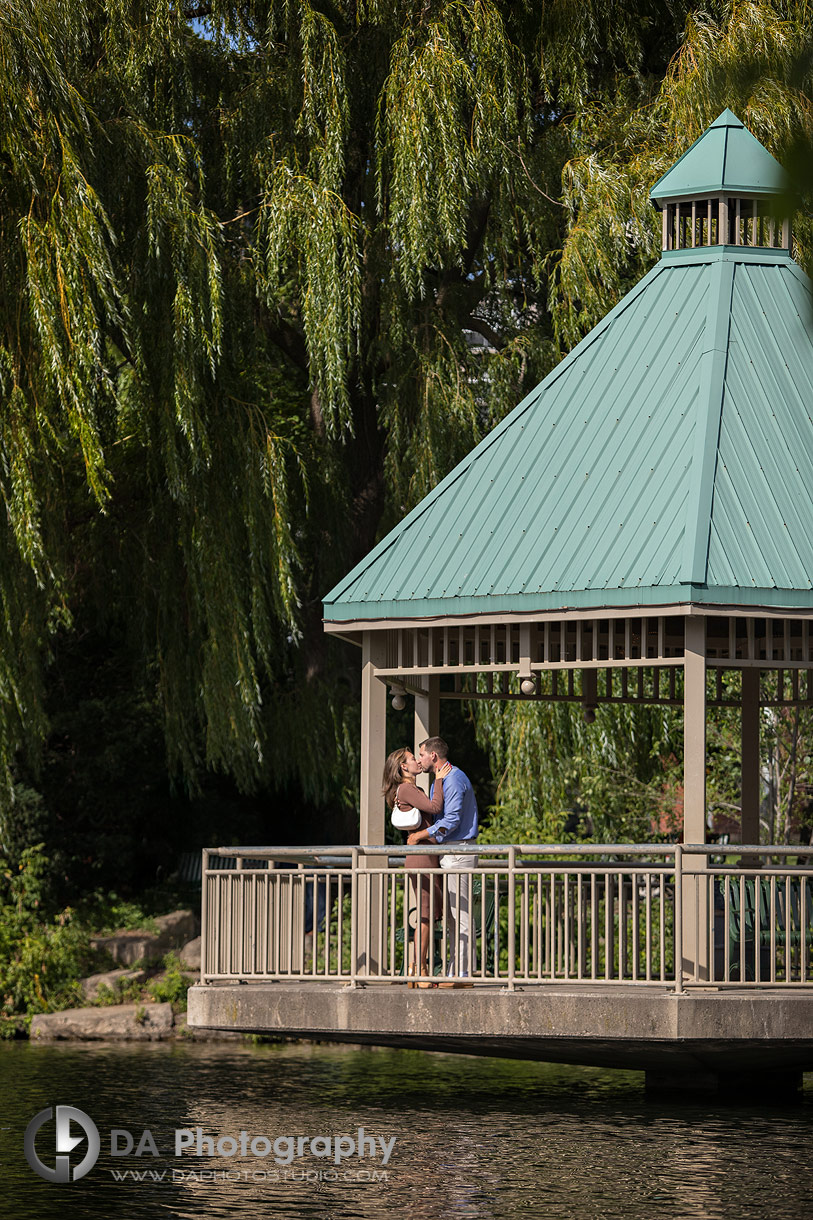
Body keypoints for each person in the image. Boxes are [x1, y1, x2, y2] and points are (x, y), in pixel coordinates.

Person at [408, 737, 478, 987]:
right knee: (453, 917)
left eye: (421, 755)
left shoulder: (454, 779)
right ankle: (456, 972)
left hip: (458, 851)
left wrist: (420, 835)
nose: (419, 759)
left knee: (460, 916)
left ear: (433, 757)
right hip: (450, 852)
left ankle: (462, 974)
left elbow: (451, 821)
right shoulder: (443, 780)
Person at [381, 747, 451, 987]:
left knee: (429, 914)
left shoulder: (411, 788)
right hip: (421, 858)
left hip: (426, 855)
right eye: (413, 759)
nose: (417, 762)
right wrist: (440, 780)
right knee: (425, 915)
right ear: (403, 767)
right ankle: (418, 968)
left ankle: (418, 967)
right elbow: (434, 808)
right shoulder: (407, 788)